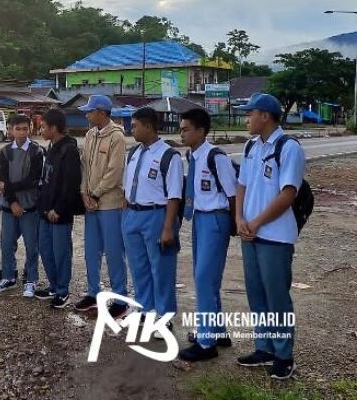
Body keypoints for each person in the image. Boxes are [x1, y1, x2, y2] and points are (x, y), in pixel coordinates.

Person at [234, 93, 305, 380]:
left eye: (250, 113)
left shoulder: (288, 148)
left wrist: (257, 222)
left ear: (265, 115)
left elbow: (288, 193)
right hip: (250, 233)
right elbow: (242, 185)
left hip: (275, 235)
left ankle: (284, 354)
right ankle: (264, 347)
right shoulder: (252, 146)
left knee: (277, 296)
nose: (246, 118)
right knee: (256, 294)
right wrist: (239, 218)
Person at [177, 109, 236, 362]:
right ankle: (216, 330)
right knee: (206, 279)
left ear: (201, 131)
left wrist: (234, 225)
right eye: (180, 129)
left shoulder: (215, 157)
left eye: (185, 129)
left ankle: (206, 343)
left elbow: (233, 194)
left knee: (204, 279)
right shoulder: (193, 156)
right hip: (200, 218)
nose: (181, 133)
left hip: (215, 218)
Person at [122, 107, 183, 336]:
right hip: (133, 215)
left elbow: (174, 195)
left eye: (135, 125)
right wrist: (126, 214)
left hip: (157, 215)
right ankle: (145, 309)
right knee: (139, 267)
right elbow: (127, 186)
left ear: (148, 126)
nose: (132, 129)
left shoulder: (169, 155)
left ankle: (164, 317)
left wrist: (168, 227)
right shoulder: (133, 153)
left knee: (162, 268)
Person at [74, 95, 128, 319]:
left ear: (102, 112)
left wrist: (95, 193)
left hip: (109, 203)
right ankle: (94, 292)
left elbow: (115, 172)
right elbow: (85, 167)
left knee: (114, 252)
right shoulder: (90, 134)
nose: (86, 115)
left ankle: (120, 297)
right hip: (91, 203)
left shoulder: (117, 137)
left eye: (90, 111)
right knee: (91, 251)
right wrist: (84, 193)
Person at [35, 108, 83, 308]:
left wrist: (59, 209)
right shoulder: (51, 148)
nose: (40, 131)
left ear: (54, 128)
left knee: (61, 253)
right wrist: (44, 207)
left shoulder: (69, 150)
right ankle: (54, 286)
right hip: (45, 211)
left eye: (43, 127)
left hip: (60, 214)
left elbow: (71, 184)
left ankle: (63, 292)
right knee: (46, 251)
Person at [0, 114, 44, 297]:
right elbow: (3, 178)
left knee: (32, 246)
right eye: (17, 128)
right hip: (9, 207)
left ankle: (31, 280)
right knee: (6, 244)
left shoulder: (37, 151)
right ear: (10, 130)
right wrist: (13, 201)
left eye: (25, 128)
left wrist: (8, 187)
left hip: (30, 207)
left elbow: (33, 180)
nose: (21, 132)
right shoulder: (5, 151)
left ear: (30, 129)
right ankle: (8, 277)